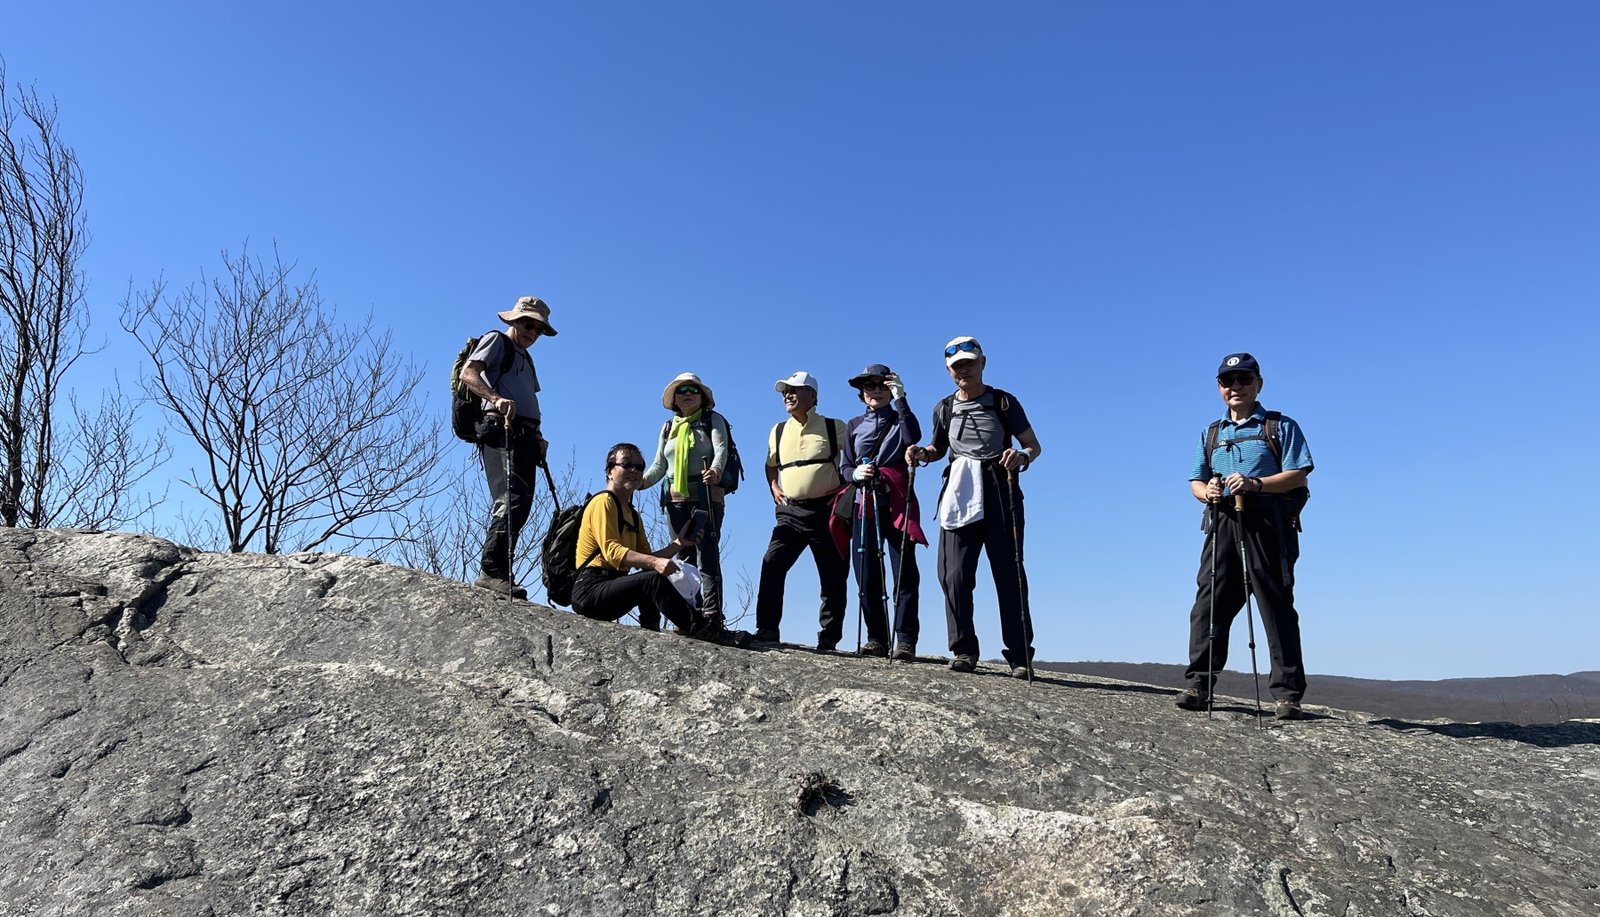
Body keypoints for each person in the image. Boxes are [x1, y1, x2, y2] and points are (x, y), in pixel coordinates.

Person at [1175, 353, 1314, 720]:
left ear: (1258, 384)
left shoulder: (1279, 426)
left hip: (1269, 522)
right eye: (1227, 381)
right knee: (1210, 602)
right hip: (1222, 520)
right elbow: (1195, 481)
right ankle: (1199, 684)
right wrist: (1208, 492)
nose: (1235, 387)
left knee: (1274, 604)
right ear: (1219, 387)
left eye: (1244, 379)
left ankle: (1287, 695)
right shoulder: (1211, 433)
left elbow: (1298, 474)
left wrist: (1255, 484)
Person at [906, 337, 1043, 676]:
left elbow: (1033, 445)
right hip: (960, 489)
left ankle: (1020, 656)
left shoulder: (1003, 402)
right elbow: (938, 448)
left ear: (983, 363)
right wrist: (922, 454)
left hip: (999, 484)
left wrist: (1021, 456)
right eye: (957, 366)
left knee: (1009, 572)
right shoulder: (943, 408)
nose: (963, 370)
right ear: (948, 371)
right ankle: (964, 649)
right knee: (953, 574)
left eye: (969, 363)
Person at [572, 443, 746, 647]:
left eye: (639, 467)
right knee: (652, 578)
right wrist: (655, 563)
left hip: (611, 586)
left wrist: (679, 543)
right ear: (610, 472)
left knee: (651, 575)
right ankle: (704, 630)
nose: (634, 471)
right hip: (590, 590)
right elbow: (613, 552)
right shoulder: (603, 502)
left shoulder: (632, 514)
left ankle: (651, 634)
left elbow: (646, 558)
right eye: (627, 465)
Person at [458, 296, 555, 598]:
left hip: (525, 436)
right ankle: (492, 571)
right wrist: (495, 398)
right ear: (514, 321)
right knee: (510, 499)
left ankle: (501, 571)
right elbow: (468, 373)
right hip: (501, 429)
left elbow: (529, 399)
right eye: (528, 324)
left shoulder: (526, 358)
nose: (532, 333)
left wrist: (538, 436)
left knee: (522, 502)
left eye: (538, 329)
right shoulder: (496, 341)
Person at [753, 372, 850, 651]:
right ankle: (767, 629)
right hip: (791, 511)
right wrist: (774, 486)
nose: (788, 395)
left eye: (795, 390)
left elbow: (855, 457)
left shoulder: (834, 426)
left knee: (832, 574)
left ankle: (829, 636)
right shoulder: (778, 430)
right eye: (785, 391)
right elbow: (770, 464)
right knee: (772, 562)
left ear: (813, 396)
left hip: (828, 510)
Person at [836, 364, 926, 659]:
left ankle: (905, 639)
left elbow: (913, 437)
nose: (875, 390)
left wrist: (901, 399)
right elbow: (845, 466)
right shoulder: (853, 425)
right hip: (864, 503)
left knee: (904, 572)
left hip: (897, 502)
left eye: (882, 385)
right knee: (866, 573)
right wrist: (854, 474)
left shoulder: (901, 419)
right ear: (861, 393)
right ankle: (876, 638)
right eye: (869, 386)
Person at [641, 372, 731, 627]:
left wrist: (715, 470)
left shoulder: (712, 420)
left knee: (707, 555)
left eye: (693, 389)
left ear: (703, 396)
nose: (688, 394)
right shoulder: (668, 427)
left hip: (706, 496)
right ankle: (689, 612)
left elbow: (721, 449)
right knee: (683, 556)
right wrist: (641, 482)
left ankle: (712, 614)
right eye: (681, 390)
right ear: (674, 399)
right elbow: (660, 464)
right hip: (675, 500)